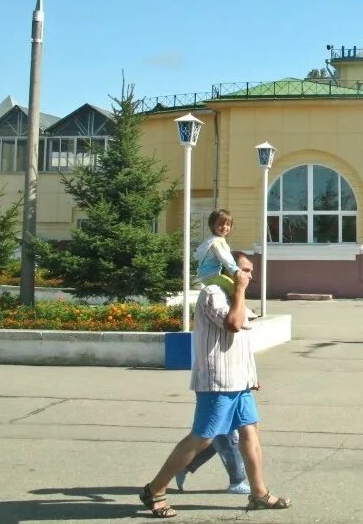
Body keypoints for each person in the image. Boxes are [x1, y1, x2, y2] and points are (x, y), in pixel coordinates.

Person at [139, 212, 291, 518]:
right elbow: (233, 325)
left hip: (240, 382)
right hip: (217, 381)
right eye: (243, 270)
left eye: (249, 272)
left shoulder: (236, 296)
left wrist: (252, 376)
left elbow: (244, 341)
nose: (248, 275)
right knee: (203, 436)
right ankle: (154, 489)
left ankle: (259, 494)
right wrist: (239, 288)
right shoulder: (213, 294)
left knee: (250, 432)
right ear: (227, 268)